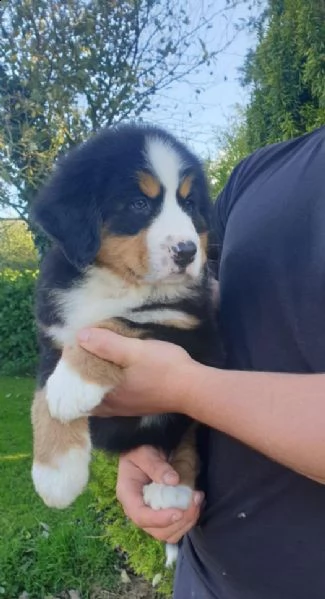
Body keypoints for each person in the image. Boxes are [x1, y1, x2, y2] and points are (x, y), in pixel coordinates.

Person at [78, 125, 325, 599]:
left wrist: (182, 388)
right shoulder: (259, 170)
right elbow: (204, 312)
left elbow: (191, 380)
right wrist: (149, 440)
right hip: (207, 573)